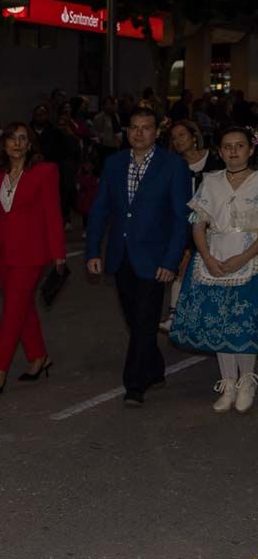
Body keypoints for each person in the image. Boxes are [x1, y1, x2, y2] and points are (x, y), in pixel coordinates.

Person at [86, 107, 193, 406]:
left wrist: (171, 261)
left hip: (155, 258)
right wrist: (94, 250)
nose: (138, 133)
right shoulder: (114, 163)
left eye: (146, 128)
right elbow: (99, 210)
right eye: (133, 127)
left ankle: (134, 384)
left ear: (157, 132)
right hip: (121, 256)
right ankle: (155, 369)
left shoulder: (172, 166)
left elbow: (180, 218)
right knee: (136, 321)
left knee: (145, 320)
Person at [169, 127, 258, 413]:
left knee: (244, 323)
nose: (233, 151)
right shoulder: (210, 181)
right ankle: (228, 382)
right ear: (219, 151)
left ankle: (247, 381)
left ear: (251, 150)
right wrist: (206, 257)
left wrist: (244, 257)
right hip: (215, 258)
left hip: (250, 259)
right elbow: (198, 225)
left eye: (240, 146)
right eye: (227, 146)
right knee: (221, 322)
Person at [0, 123, 66, 394]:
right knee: (23, 307)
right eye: (12, 138)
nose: (17, 143)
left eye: (23, 139)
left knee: (12, 311)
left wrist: (59, 254)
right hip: (1, 256)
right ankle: (39, 357)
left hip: (31, 255)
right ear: (3, 143)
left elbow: (53, 214)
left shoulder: (44, 172)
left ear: (30, 145)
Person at [160, 120, 226, 331]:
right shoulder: (172, 165)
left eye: (182, 135)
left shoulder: (215, 158)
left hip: (217, 223)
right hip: (186, 224)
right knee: (183, 265)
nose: (178, 140)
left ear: (194, 136)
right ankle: (174, 314)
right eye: (174, 137)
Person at [93, 96, 123, 173]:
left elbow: (118, 129)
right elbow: (95, 131)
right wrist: (101, 137)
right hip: (105, 146)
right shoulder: (99, 117)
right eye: (108, 104)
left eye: (111, 104)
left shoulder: (115, 115)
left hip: (115, 145)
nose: (109, 106)